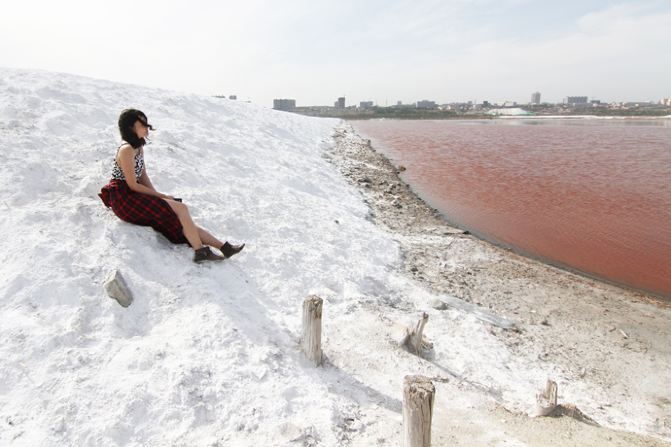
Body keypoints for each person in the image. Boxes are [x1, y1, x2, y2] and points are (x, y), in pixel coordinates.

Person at [99, 109, 244, 263]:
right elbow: (132, 185)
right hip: (123, 199)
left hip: (134, 195)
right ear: (130, 127)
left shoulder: (138, 148)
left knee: (181, 219)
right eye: (142, 124)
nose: (147, 128)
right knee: (182, 209)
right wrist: (161, 197)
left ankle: (224, 248)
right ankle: (200, 251)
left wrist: (159, 196)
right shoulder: (126, 149)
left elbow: (142, 175)